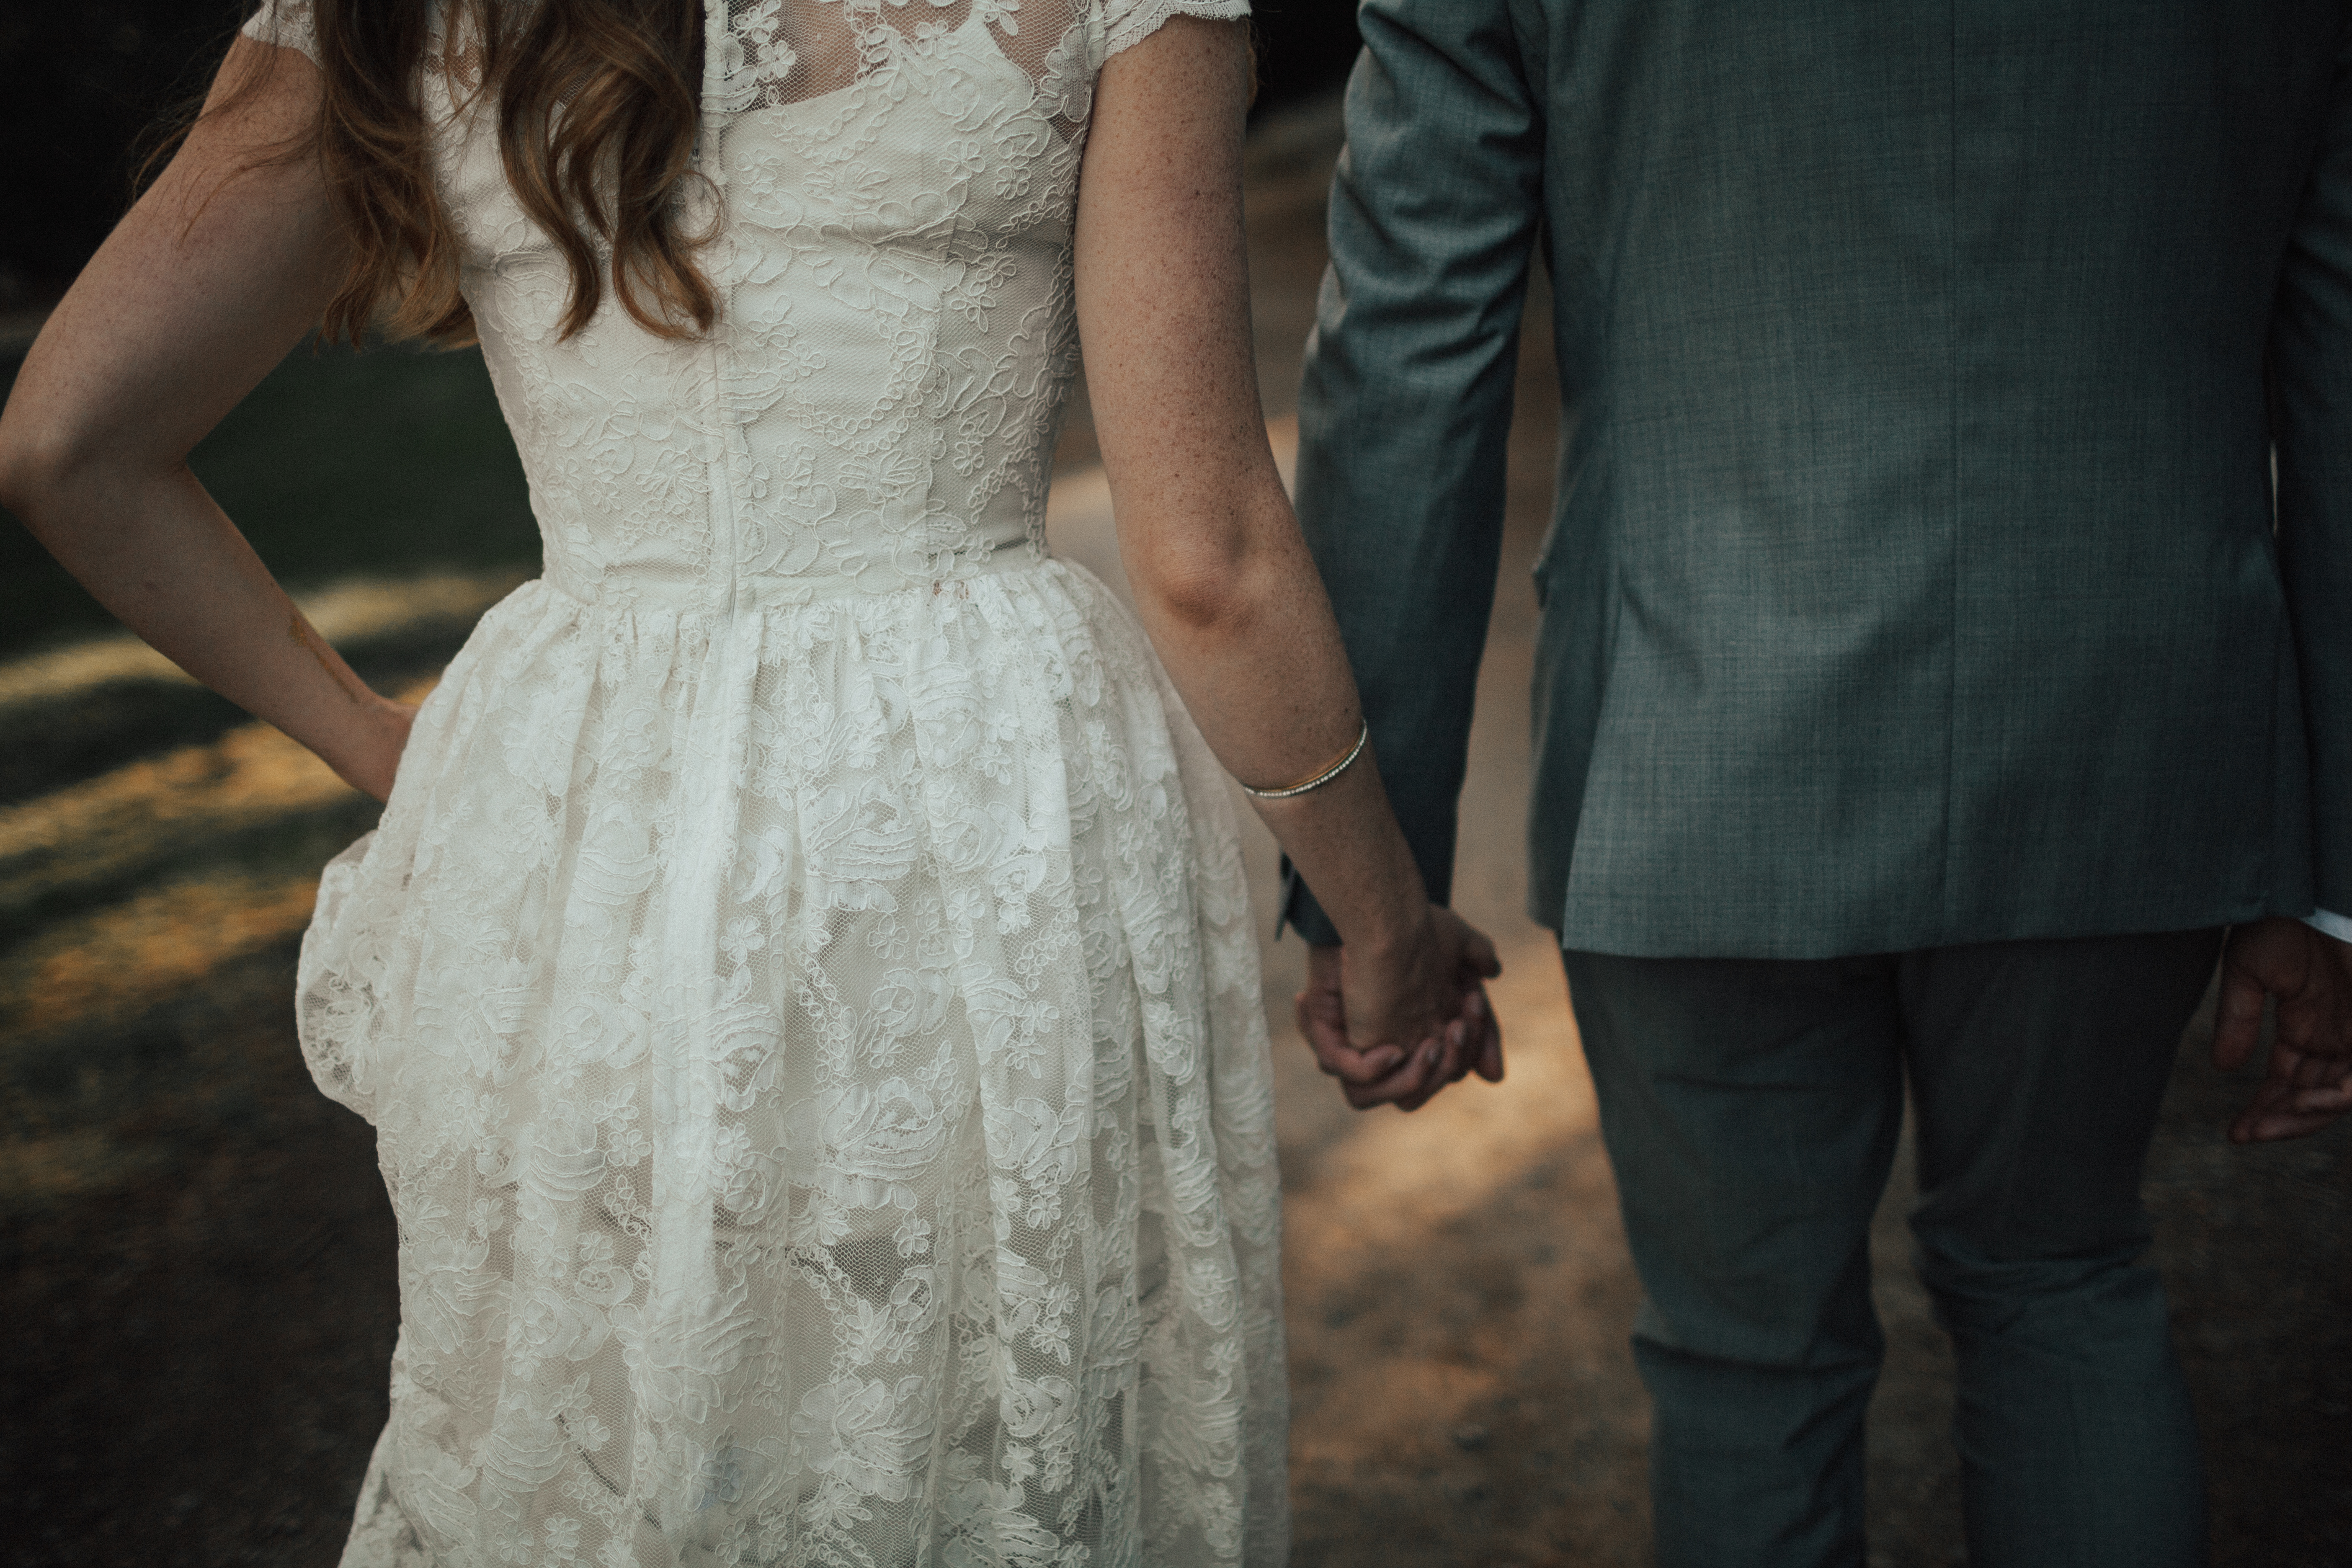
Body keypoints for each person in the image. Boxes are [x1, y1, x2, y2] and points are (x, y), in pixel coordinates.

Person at [0, 0, 1503, 1561]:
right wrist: (1384, 926)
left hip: (591, 815)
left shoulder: (381, 14)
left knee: (621, 1418)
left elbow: (70, 445)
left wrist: (384, 744)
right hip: (978, 799)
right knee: (988, 1424)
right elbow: (1210, 565)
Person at [1282, 3, 2352, 1565]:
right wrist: (2334, 876)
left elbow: (1408, 349)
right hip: (2122, 719)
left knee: (1743, 1364)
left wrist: (1373, 888)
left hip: (1694, 737)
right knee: (2060, 1281)